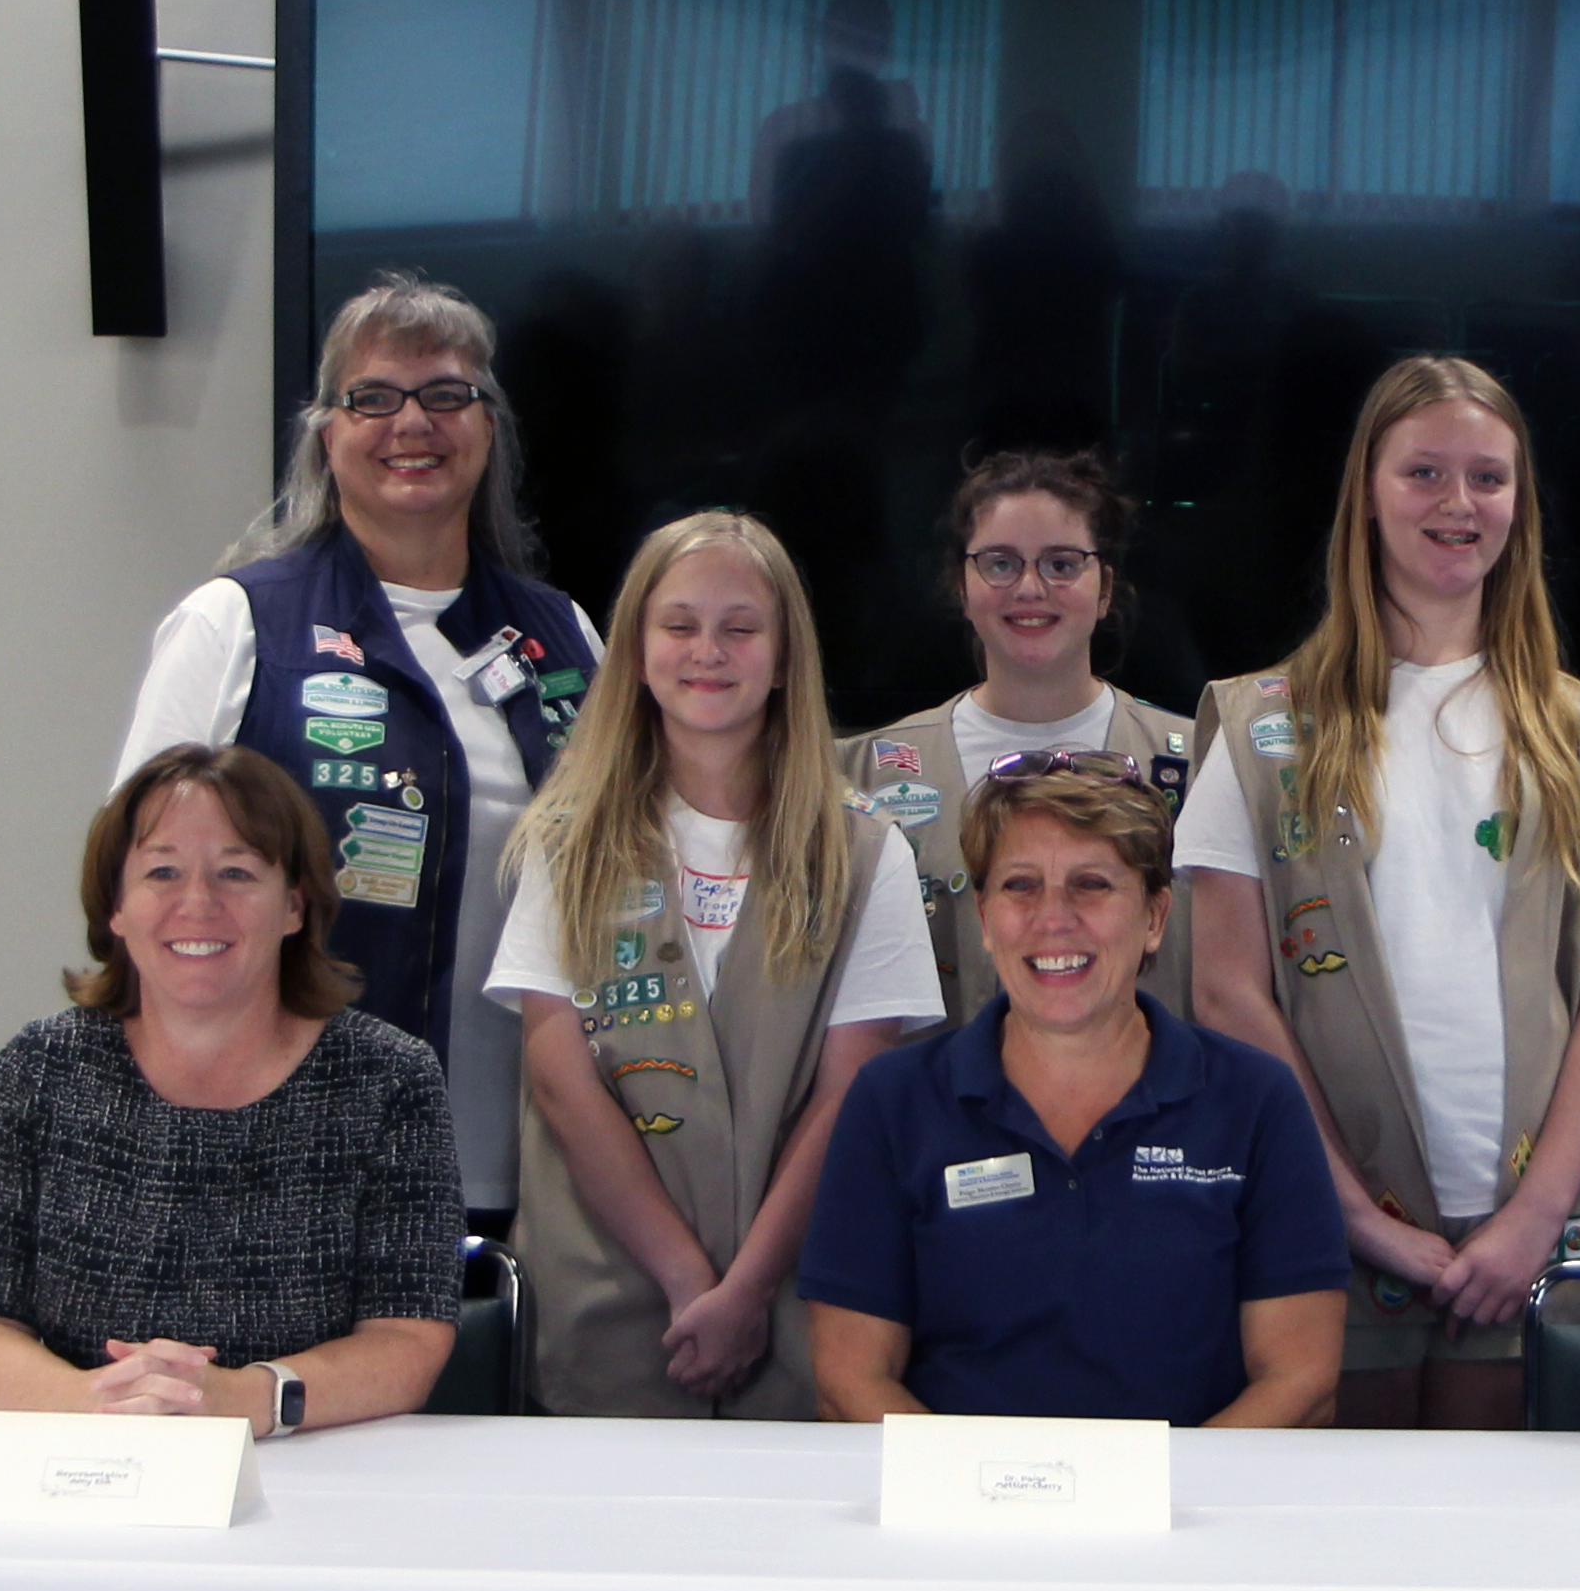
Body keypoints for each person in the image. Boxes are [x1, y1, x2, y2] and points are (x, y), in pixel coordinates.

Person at [1178, 355, 1580, 1429]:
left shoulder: (1575, 732)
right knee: (1335, 1556)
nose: (1458, 504)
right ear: (1367, 489)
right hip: (1320, 1221)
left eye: (1488, 478)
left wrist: (1532, 1217)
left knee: (1501, 1558)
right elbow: (1227, 995)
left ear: (1520, 504)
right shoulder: (1259, 728)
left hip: (1530, 1239)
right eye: (1424, 473)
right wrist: (1355, 1213)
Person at [115, 274, 600, 1225]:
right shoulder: (239, 622)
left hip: (532, 1172)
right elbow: (137, 890)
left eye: (446, 394)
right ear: (326, 435)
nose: (410, 423)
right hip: (281, 1163)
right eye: (372, 398)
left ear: (488, 426)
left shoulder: (568, 637)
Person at [489, 512, 941, 1419]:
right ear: (637, 650)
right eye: (680, 624)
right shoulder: (563, 842)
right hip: (615, 1300)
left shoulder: (863, 852)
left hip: (796, 1293)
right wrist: (688, 1278)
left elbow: (854, 1092)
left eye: (742, 627)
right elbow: (560, 1078)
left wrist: (744, 1292)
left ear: (784, 656)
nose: (710, 651)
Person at [0, 745, 462, 1430]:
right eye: (162, 872)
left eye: (236, 872)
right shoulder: (40, 1068)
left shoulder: (390, 1080)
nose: (198, 904)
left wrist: (248, 1400)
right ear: (115, 908)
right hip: (82, 1464)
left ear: (294, 905)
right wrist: (99, 1404)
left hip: (314, 1475)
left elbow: (409, 1341)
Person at [804, 761, 1349, 1426]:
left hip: (1189, 1515)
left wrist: (1150, 1508)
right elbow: (850, 1376)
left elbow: (1300, 1377)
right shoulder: (892, 1102)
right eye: (1020, 887)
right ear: (983, 918)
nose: (1052, 919)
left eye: (1091, 886)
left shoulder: (1257, 1101)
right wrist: (988, 1506)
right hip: (961, 1519)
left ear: (1155, 916)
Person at [835, 449, 1197, 1033]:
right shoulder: (861, 774)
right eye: (1000, 563)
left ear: (1105, 589)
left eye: (1061, 564)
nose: (1031, 587)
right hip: (935, 1118)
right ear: (962, 586)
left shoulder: (1202, 762)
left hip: (1157, 1117)